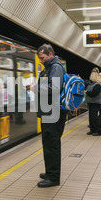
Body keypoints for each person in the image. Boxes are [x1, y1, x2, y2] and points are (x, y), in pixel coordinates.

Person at [35, 44, 67, 188]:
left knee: (52, 144)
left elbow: (54, 88)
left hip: (54, 112)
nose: (40, 61)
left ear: (50, 54)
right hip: (48, 112)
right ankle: (49, 172)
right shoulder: (48, 68)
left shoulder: (56, 67)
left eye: (42, 58)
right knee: (47, 143)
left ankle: (53, 178)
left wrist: (34, 87)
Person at [85, 69, 101, 137]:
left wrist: (87, 92)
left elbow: (94, 94)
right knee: (91, 117)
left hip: (95, 103)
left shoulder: (97, 85)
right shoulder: (91, 84)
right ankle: (92, 130)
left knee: (95, 117)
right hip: (91, 103)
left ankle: (98, 131)